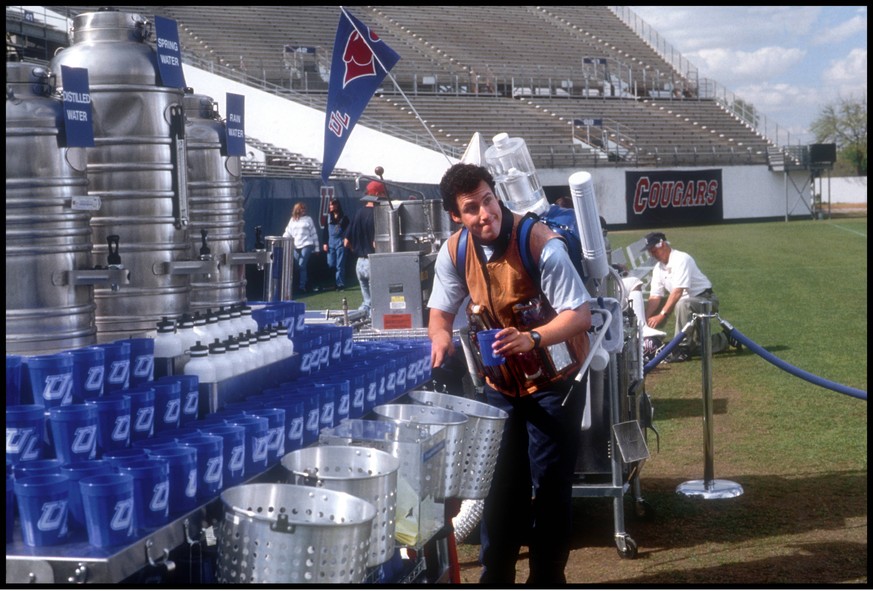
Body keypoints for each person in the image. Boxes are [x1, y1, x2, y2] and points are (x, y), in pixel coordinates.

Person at [427, 163, 592, 585]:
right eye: (472, 208)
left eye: (488, 200)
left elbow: (580, 314)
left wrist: (532, 338)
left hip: (556, 383)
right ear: (455, 216)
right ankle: (495, 578)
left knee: (551, 488)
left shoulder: (540, 243)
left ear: (495, 194)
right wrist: (440, 339)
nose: (485, 213)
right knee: (500, 488)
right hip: (500, 386)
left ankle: (548, 579)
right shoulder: (455, 251)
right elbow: (440, 313)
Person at [643, 231, 736, 362]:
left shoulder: (681, 259)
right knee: (697, 345)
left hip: (706, 300)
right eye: (650, 251)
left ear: (662, 244)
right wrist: (645, 319)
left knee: (682, 303)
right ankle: (725, 339)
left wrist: (662, 315)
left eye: (653, 250)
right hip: (688, 305)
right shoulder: (658, 268)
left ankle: (680, 349)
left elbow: (677, 292)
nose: (652, 254)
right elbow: (655, 296)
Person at [344, 181, 384, 316]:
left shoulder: (357, 213)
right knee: (377, 305)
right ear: (378, 194)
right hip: (373, 261)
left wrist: (356, 250)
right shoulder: (378, 215)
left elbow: (346, 242)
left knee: (367, 302)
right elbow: (375, 244)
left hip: (359, 262)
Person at [282, 201, 320, 294]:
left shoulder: (308, 219)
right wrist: (281, 240)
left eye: (304, 208)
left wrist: (317, 248)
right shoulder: (292, 220)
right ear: (297, 209)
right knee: (297, 266)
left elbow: (314, 233)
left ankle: (302, 287)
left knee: (302, 265)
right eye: (302, 208)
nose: (304, 210)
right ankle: (304, 283)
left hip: (307, 244)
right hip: (296, 246)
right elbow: (288, 232)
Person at [322, 198, 350, 291]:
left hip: (340, 243)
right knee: (330, 263)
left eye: (332, 205)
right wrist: (324, 243)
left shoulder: (344, 217)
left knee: (340, 265)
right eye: (329, 205)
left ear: (337, 205)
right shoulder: (328, 217)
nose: (330, 207)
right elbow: (325, 231)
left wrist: (346, 240)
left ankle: (340, 284)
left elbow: (348, 230)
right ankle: (333, 282)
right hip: (330, 243)